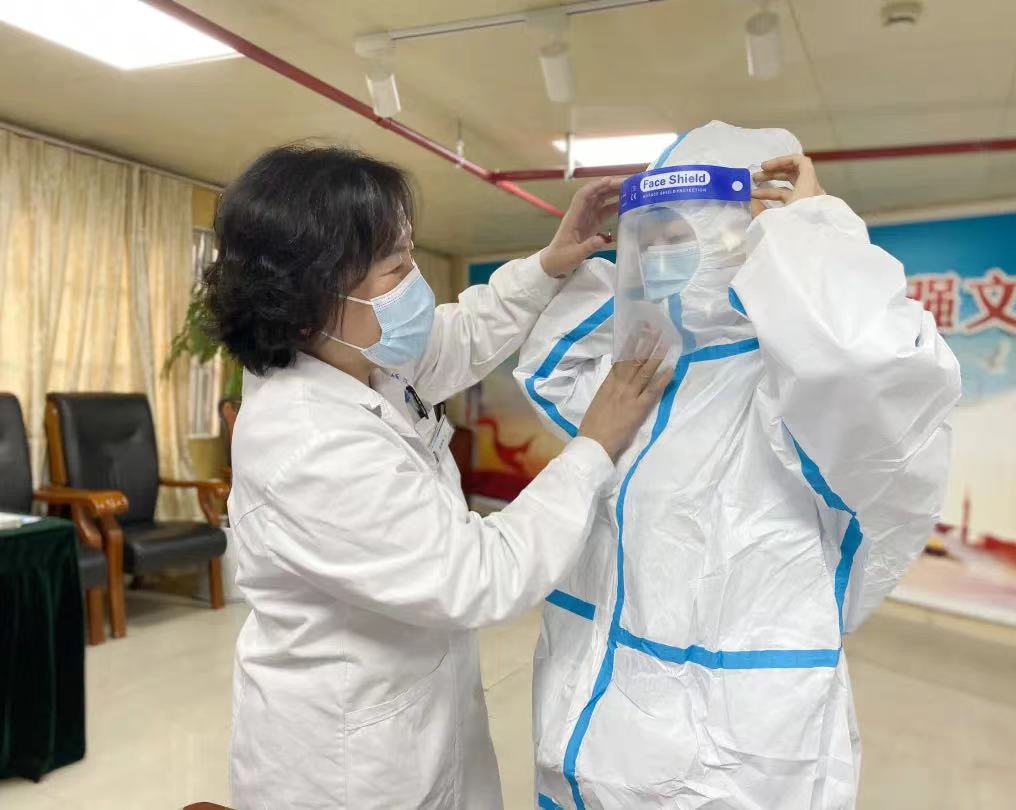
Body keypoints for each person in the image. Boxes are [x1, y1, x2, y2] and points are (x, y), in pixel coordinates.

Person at [204, 144, 671, 810]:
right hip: (350, 771)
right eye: (395, 269)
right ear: (308, 303)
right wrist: (595, 445)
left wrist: (548, 265)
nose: (414, 284)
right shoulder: (308, 443)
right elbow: (479, 575)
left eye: (409, 256)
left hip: (416, 717)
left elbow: (458, 338)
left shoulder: (354, 357)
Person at [515, 121, 961, 809]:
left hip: (729, 776)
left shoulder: (795, 395)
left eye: (686, 233)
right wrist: (627, 286)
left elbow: (871, 365)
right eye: (651, 238)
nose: (666, 255)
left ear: (756, 229)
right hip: (581, 755)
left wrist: (812, 231)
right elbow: (546, 367)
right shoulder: (639, 375)